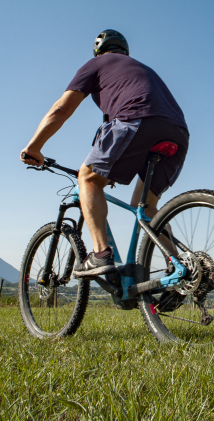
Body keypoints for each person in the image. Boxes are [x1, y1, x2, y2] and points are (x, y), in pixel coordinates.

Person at [20, 29, 189, 277]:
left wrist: (34, 147)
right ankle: (179, 270)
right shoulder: (138, 70)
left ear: (99, 51)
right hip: (177, 131)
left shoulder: (96, 64)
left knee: (87, 178)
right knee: (146, 206)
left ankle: (100, 255)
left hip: (136, 119)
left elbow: (61, 109)